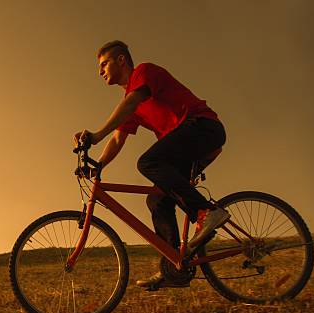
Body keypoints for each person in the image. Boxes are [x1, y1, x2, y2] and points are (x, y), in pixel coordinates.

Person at [73, 40, 229, 288]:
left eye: (104, 64)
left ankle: (207, 212)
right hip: (188, 145)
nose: (100, 71)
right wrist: (99, 165)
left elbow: (130, 104)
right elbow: (118, 138)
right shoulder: (130, 101)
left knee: (148, 162)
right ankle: (174, 267)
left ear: (121, 60)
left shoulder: (143, 74)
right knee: (156, 199)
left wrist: (95, 135)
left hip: (203, 128)